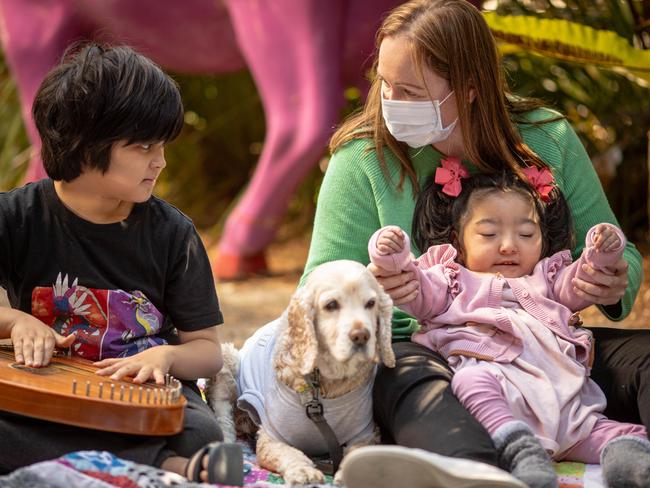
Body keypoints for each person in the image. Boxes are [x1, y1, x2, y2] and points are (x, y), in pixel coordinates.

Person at [300, 0, 648, 486]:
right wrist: (386, 295)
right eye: (385, 82)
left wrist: (609, 279)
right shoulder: (363, 160)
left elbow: (620, 253)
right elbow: (316, 291)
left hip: (549, 352)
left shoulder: (547, 139)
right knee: (412, 380)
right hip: (434, 354)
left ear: (468, 91)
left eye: (412, 91)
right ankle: (475, 469)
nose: (390, 100)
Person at [0, 43, 242, 485]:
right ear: (84, 143)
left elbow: (206, 352)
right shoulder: (14, 218)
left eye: (163, 145)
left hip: (143, 395)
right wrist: (16, 321)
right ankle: (165, 467)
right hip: (46, 388)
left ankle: (113, 460)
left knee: (201, 431)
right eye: (144, 146)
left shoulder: (173, 234)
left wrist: (166, 356)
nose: (160, 160)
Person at [368, 168, 650, 488]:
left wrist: (602, 252)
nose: (508, 246)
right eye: (489, 234)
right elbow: (414, 286)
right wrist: (390, 253)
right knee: (471, 380)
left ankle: (631, 466)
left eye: (526, 234)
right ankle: (519, 450)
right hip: (498, 398)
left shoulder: (548, 280)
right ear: (458, 243)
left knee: (614, 431)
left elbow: (582, 280)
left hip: (565, 403)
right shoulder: (450, 281)